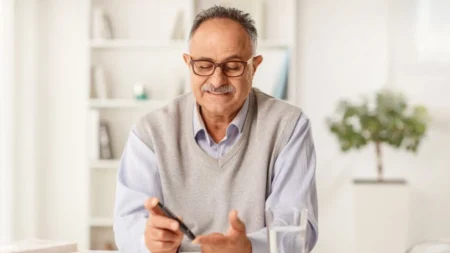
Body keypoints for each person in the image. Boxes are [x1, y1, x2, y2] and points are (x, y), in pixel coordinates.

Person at [113, 5, 318, 253]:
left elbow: (296, 228)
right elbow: (127, 224)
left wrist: (250, 247)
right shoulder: (151, 132)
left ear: (254, 67)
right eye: (204, 65)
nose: (217, 80)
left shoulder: (289, 127)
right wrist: (149, 241)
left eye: (232, 66)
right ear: (188, 64)